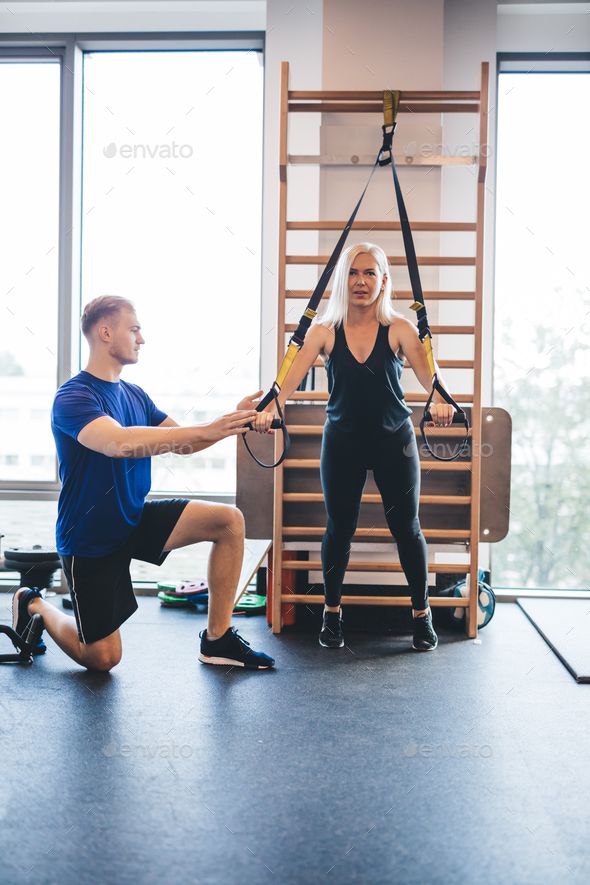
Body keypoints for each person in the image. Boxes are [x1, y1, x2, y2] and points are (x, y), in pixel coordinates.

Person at [12, 295, 275, 671]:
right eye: (134, 329)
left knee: (228, 520)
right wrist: (209, 428)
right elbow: (118, 443)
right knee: (103, 658)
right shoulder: (74, 396)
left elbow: (183, 442)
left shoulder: (135, 395)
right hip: (90, 537)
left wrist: (235, 420)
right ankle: (33, 603)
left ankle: (218, 640)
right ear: (106, 332)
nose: (142, 338)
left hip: (131, 518)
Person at [255, 242, 457, 652]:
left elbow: (432, 381)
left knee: (407, 528)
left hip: (394, 442)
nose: (361, 281)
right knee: (339, 528)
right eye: (352, 273)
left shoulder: (399, 327)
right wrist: (268, 410)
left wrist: (440, 402)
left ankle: (421, 614)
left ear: (384, 281)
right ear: (342, 280)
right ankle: (332, 614)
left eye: (369, 273)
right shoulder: (323, 331)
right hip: (343, 443)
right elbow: (286, 385)